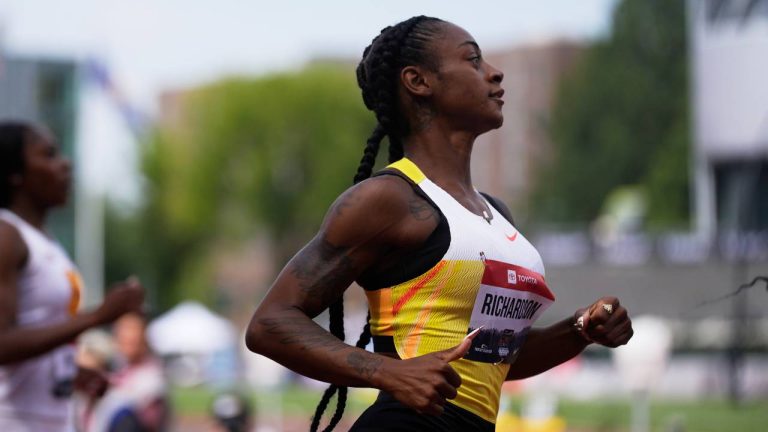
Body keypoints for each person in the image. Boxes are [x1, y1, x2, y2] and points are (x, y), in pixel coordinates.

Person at [245, 16, 634, 432]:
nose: (494, 72)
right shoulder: (391, 200)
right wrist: (387, 372)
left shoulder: (497, 213)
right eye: (472, 60)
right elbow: (269, 323)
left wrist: (580, 330)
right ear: (418, 81)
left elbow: (498, 358)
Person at [0, 120, 145, 431]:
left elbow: (36, 334)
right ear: (14, 174)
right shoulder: (6, 236)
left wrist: (72, 373)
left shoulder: (45, 241)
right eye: (49, 155)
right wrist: (98, 316)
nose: (65, 164)